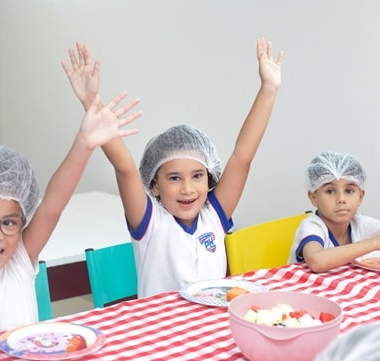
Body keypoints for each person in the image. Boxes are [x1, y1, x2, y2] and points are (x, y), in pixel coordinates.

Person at [0, 66, 141, 340]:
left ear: (22, 224)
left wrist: (84, 143)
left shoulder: (20, 260)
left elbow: (52, 204)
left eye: (8, 223)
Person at [63, 39, 283, 297]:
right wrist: (92, 103)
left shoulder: (214, 216)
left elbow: (243, 156)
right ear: (155, 185)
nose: (188, 189)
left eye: (198, 176)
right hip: (161, 331)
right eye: (174, 178)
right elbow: (125, 169)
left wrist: (268, 88)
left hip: (212, 328)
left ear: (209, 177)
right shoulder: (151, 223)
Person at [288, 151, 380, 273]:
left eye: (349, 191)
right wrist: (375, 242)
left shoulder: (360, 223)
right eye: (330, 191)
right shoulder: (312, 226)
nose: (341, 199)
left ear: (360, 196)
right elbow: (317, 261)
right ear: (313, 197)